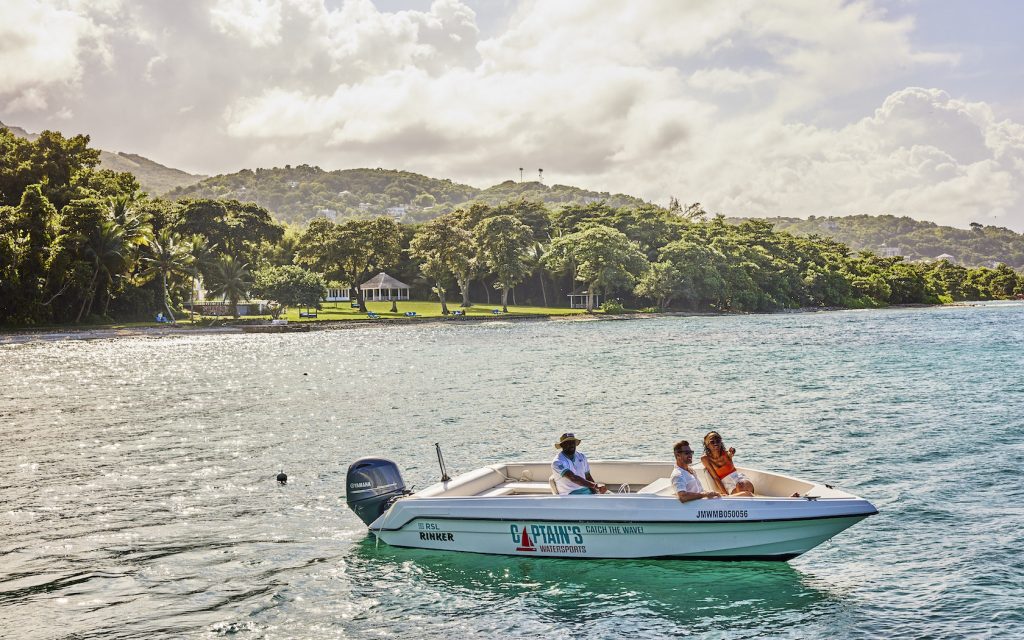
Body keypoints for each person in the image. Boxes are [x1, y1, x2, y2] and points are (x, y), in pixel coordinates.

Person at [701, 431, 755, 496]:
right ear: (707, 445)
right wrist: (725, 494)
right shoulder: (705, 459)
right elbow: (716, 478)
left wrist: (732, 452)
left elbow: (730, 454)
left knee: (746, 486)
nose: (716, 443)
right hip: (728, 485)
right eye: (712, 442)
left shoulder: (727, 454)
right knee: (745, 493)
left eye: (718, 441)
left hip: (738, 478)